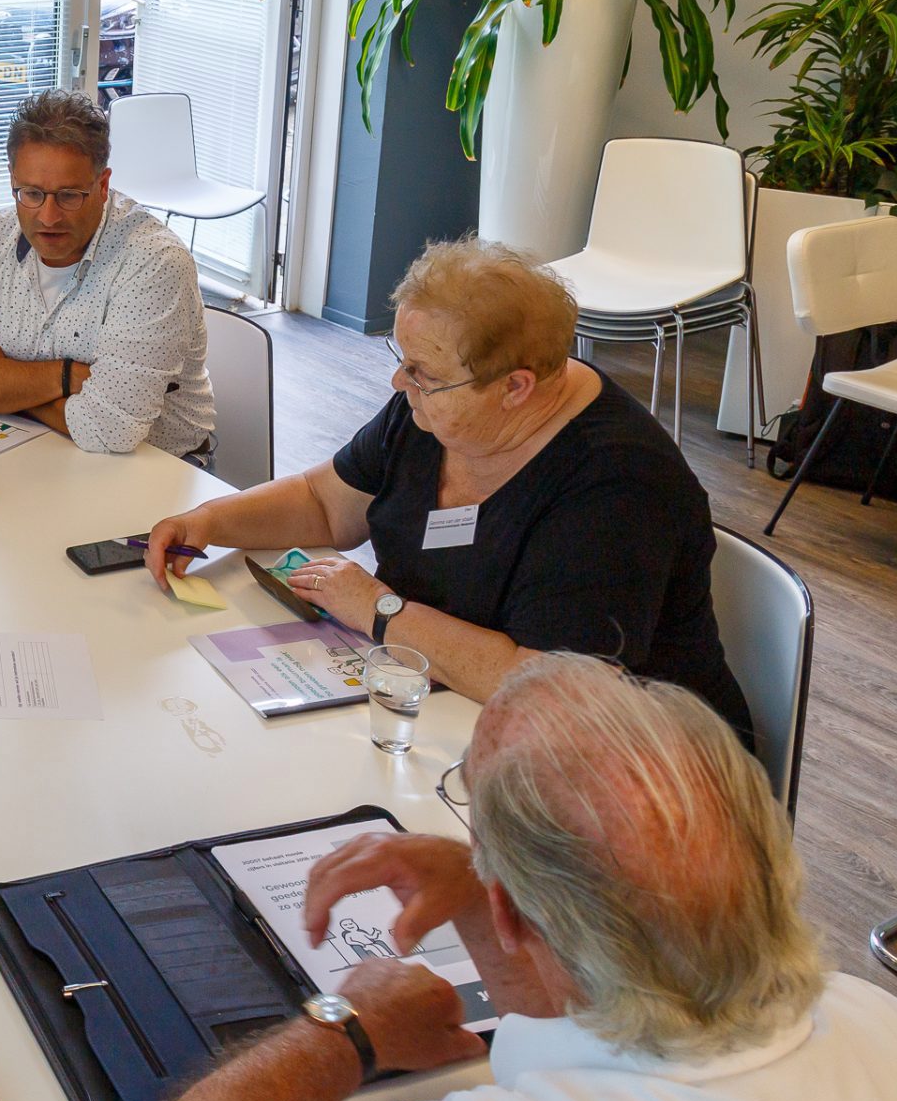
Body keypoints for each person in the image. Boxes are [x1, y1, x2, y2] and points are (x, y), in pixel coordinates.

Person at [124, 653, 897, 1101]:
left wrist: (351, 1028)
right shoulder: (879, 1017)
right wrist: (481, 896)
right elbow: (571, 1016)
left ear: (511, 911)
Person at [145, 238, 752, 732]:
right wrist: (210, 521)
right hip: (447, 706)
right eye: (403, 358)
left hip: (638, 764)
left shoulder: (618, 490)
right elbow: (326, 504)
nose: (398, 382)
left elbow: (551, 689)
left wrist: (378, 608)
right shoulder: (435, 407)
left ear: (516, 387)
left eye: (421, 372)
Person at [0, 88, 215, 459]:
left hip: (155, 467)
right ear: (12, 179)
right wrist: (67, 377)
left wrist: (3, 378)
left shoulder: (154, 262)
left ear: (103, 185)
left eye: (69, 196)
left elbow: (109, 430)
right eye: (32, 193)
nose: (48, 217)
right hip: (37, 449)